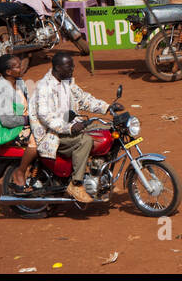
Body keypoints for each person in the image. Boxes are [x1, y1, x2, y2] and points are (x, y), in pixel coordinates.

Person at [32, 52, 118, 204]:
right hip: (52, 133)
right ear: (58, 68)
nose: (73, 69)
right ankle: (76, 184)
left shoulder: (67, 81)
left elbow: (84, 99)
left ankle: (99, 176)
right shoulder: (44, 87)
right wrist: (68, 129)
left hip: (71, 125)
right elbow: (45, 116)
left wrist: (107, 107)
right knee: (85, 140)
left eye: (73, 66)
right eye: (69, 67)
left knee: (106, 130)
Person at [0, 54, 39, 194]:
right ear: (8, 72)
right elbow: (7, 120)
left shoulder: (19, 82)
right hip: (9, 130)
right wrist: (28, 121)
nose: (21, 67)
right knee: (38, 139)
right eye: (17, 66)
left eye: (20, 64)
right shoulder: (1, 89)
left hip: (24, 125)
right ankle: (20, 173)